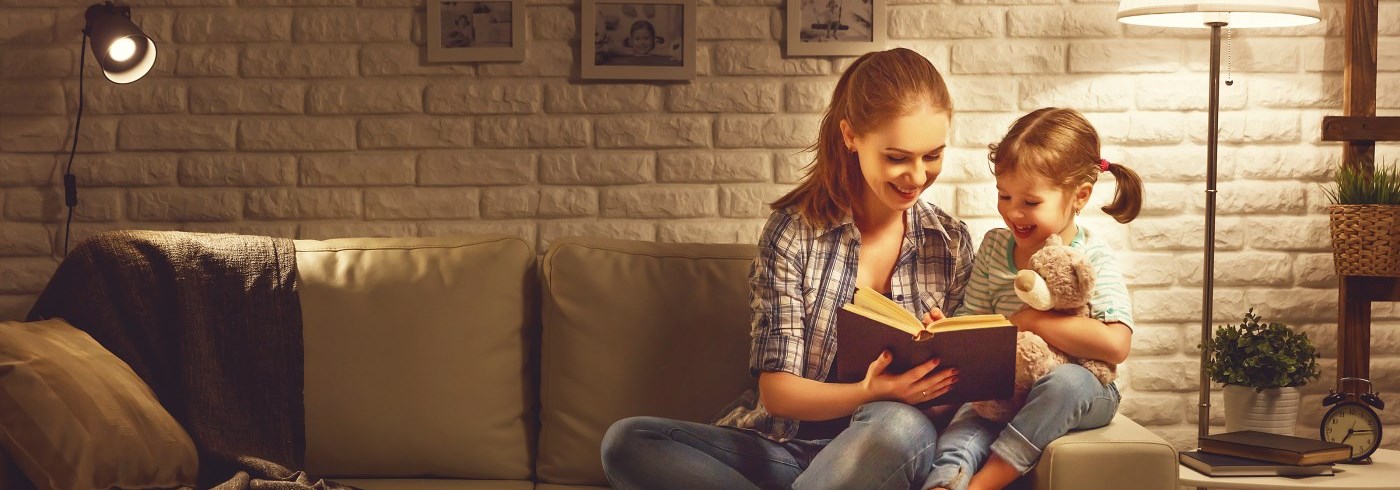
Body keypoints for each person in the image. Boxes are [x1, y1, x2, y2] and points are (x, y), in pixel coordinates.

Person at [600, 47, 975, 490]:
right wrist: (873, 390)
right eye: (897, 157)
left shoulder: (949, 243)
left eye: (932, 155)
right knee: (629, 441)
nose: (917, 175)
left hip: (882, 449)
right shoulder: (795, 232)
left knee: (900, 424)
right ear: (850, 136)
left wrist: (936, 382)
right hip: (781, 450)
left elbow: (955, 411)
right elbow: (778, 394)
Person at [929, 107, 1143, 490]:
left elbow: (1116, 344)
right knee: (962, 430)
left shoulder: (1090, 257)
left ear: (1079, 196)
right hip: (1006, 388)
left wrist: (1031, 321)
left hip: (1085, 391)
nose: (1013, 212)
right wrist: (948, 332)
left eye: (1030, 202)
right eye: (1004, 195)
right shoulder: (995, 247)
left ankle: (988, 480)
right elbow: (974, 319)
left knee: (1067, 382)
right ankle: (945, 483)